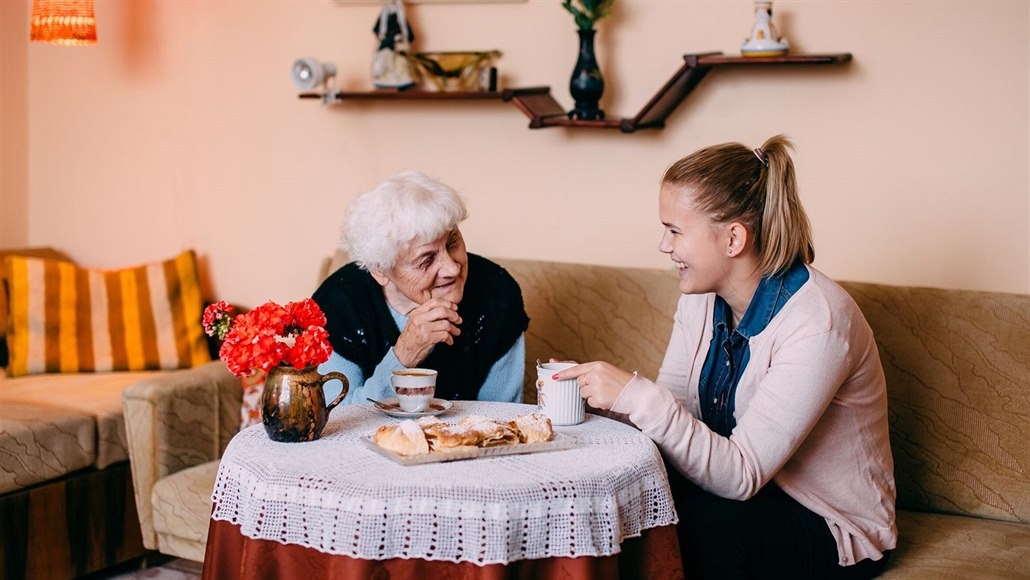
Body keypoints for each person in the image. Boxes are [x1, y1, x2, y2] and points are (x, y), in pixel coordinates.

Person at [554, 136, 897, 578]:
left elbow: (742, 474)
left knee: (696, 537)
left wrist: (636, 395)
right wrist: (600, 401)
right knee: (611, 506)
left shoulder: (817, 323)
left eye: (675, 230)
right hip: (736, 492)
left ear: (733, 238)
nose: (664, 245)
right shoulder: (700, 297)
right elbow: (678, 416)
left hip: (829, 521)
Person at [313, 170, 529, 406]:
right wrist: (403, 356)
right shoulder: (338, 305)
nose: (452, 269)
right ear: (380, 270)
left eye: (453, 242)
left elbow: (503, 416)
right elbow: (340, 421)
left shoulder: (496, 293)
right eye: (426, 260)